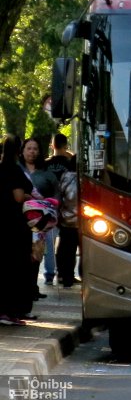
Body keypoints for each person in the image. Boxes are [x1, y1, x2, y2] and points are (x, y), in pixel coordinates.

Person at [0, 135, 34, 325]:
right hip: (14, 227)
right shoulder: (13, 171)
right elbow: (18, 197)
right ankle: (10, 311)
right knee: (14, 268)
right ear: (19, 150)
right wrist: (31, 196)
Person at [20, 138, 59, 301]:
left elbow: (57, 193)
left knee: (37, 255)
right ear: (22, 151)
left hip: (40, 223)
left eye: (35, 149)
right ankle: (23, 288)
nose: (32, 152)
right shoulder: (17, 171)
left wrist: (49, 205)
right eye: (29, 148)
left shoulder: (46, 173)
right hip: (20, 220)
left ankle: (34, 288)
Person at [45, 133, 78, 285]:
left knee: (52, 244)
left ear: (52, 145)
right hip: (69, 211)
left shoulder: (45, 164)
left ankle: (51, 274)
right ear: (65, 145)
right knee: (68, 244)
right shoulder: (70, 163)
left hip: (49, 206)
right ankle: (66, 275)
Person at [56, 156, 79, 288]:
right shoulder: (85, 177)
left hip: (66, 219)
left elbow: (61, 196)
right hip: (86, 220)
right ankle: (75, 275)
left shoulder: (65, 176)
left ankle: (65, 276)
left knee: (66, 249)